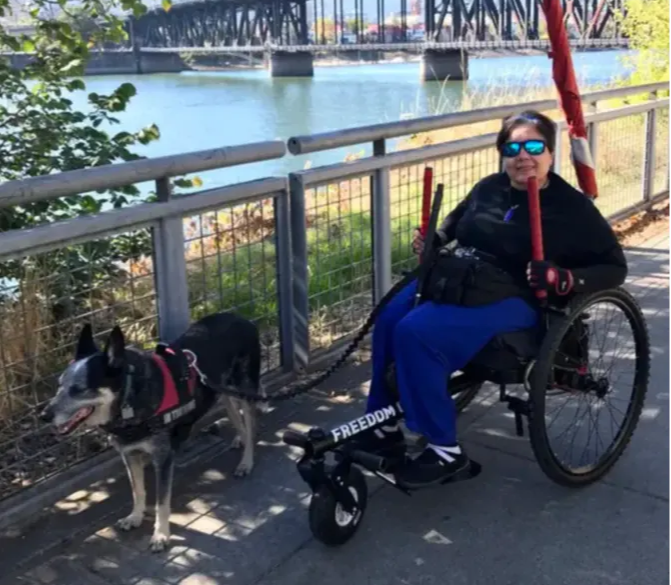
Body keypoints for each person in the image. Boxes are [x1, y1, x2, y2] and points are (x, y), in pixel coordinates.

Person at [356, 110, 628, 489]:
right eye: (513, 147)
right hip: (465, 280)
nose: (523, 156)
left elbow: (615, 268)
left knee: (416, 333)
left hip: (520, 298)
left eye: (534, 146)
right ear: (502, 153)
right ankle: (382, 423)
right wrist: (431, 240)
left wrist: (563, 277)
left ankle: (445, 451)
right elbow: (452, 227)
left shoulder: (571, 207)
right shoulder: (489, 187)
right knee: (389, 318)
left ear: (551, 152)